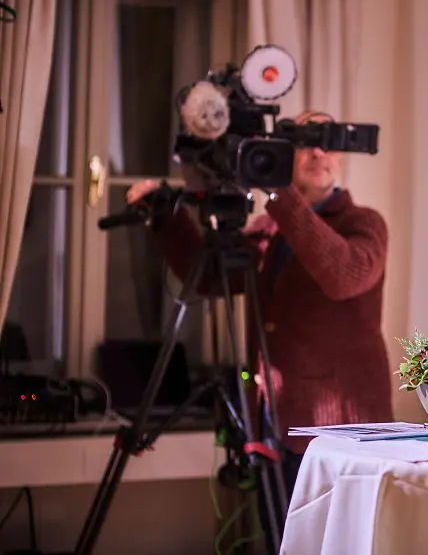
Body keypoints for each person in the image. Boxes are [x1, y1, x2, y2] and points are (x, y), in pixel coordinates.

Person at [126, 109, 393, 550]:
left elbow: (342, 276)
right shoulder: (271, 227)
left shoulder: (364, 222)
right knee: (281, 539)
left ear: (342, 155)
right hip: (275, 422)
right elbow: (210, 278)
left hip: (341, 434)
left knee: (334, 544)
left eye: (328, 140)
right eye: (304, 142)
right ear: (282, 153)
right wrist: (167, 218)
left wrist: (278, 191)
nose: (318, 152)